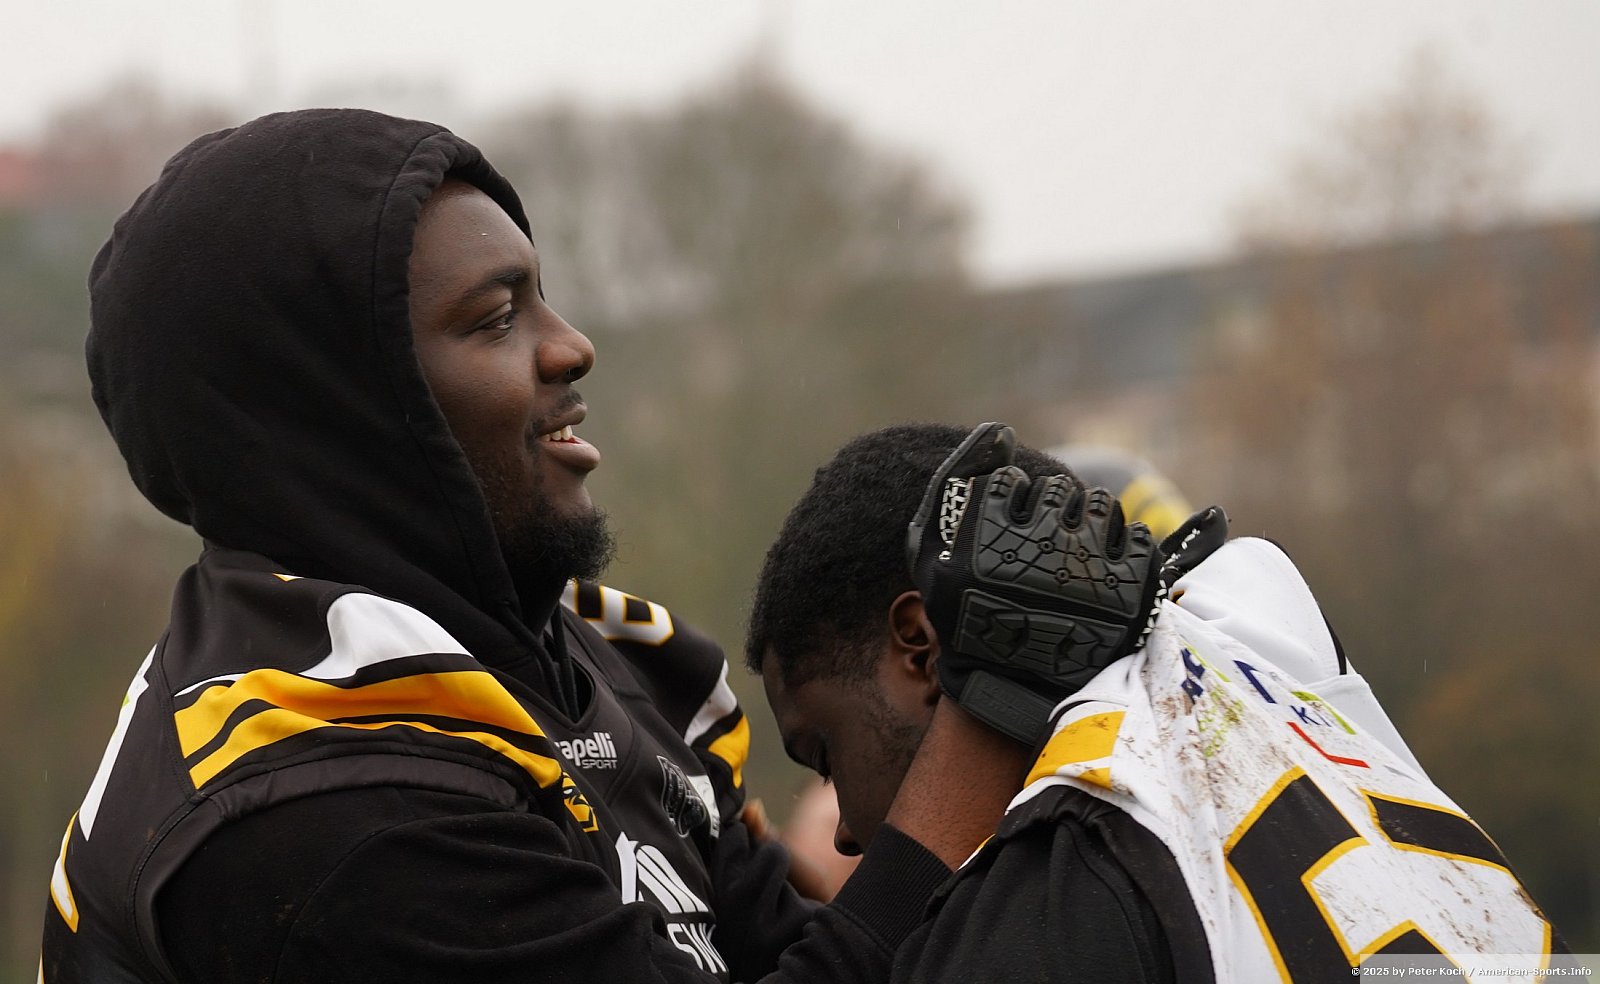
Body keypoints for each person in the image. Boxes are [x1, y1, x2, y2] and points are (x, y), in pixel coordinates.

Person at [37, 110, 1053, 983]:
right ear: (341, 415)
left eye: (540, 297)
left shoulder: (605, 666)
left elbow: (810, 954)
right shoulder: (321, 802)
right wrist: (983, 733)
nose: (571, 345)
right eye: (494, 319)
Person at [746, 422, 1572, 982]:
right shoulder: (1272, 645)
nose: (844, 830)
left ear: (921, 647)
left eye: (823, 754)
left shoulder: (1040, 909)